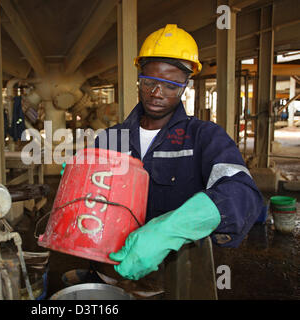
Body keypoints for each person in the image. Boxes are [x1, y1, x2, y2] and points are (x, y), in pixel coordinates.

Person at [94, 24, 266, 281]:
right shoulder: (109, 138)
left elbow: (243, 195)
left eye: (170, 86)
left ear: (185, 85)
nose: (156, 93)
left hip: (178, 278)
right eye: (149, 82)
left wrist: (172, 229)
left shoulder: (204, 137)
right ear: (139, 78)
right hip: (111, 268)